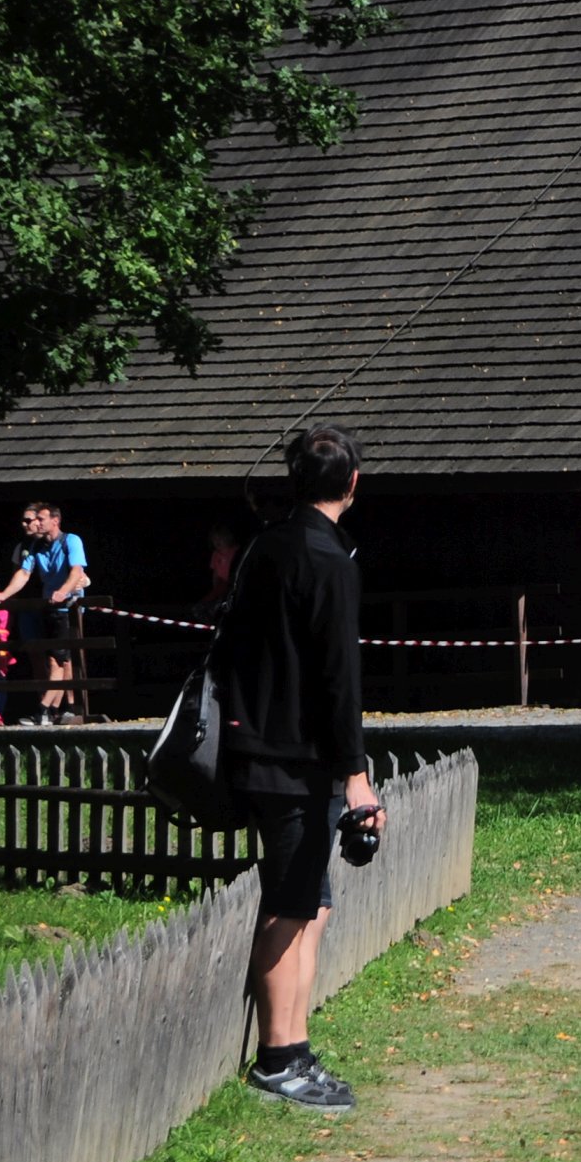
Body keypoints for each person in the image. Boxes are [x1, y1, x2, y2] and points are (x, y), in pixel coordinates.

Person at [212, 425, 383, 1113]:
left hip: (260, 747)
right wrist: (356, 777)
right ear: (353, 484)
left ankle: (297, 1046)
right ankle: (277, 1059)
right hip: (294, 761)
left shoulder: (266, 546)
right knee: (290, 909)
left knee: (313, 904)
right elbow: (340, 681)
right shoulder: (329, 560)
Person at [0, 500, 91, 723]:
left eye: (41, 519)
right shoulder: (35, 546)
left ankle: (52, 709)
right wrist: (4, 595)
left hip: (67, 608)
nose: (36, 523)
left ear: (55, 521)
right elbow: (23, 573)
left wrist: (64, 591)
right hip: (49, 607)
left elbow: (77, 571)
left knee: (60, 661)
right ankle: (52, 710)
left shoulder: (71, 540)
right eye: (35, 519)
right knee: (54, 660)